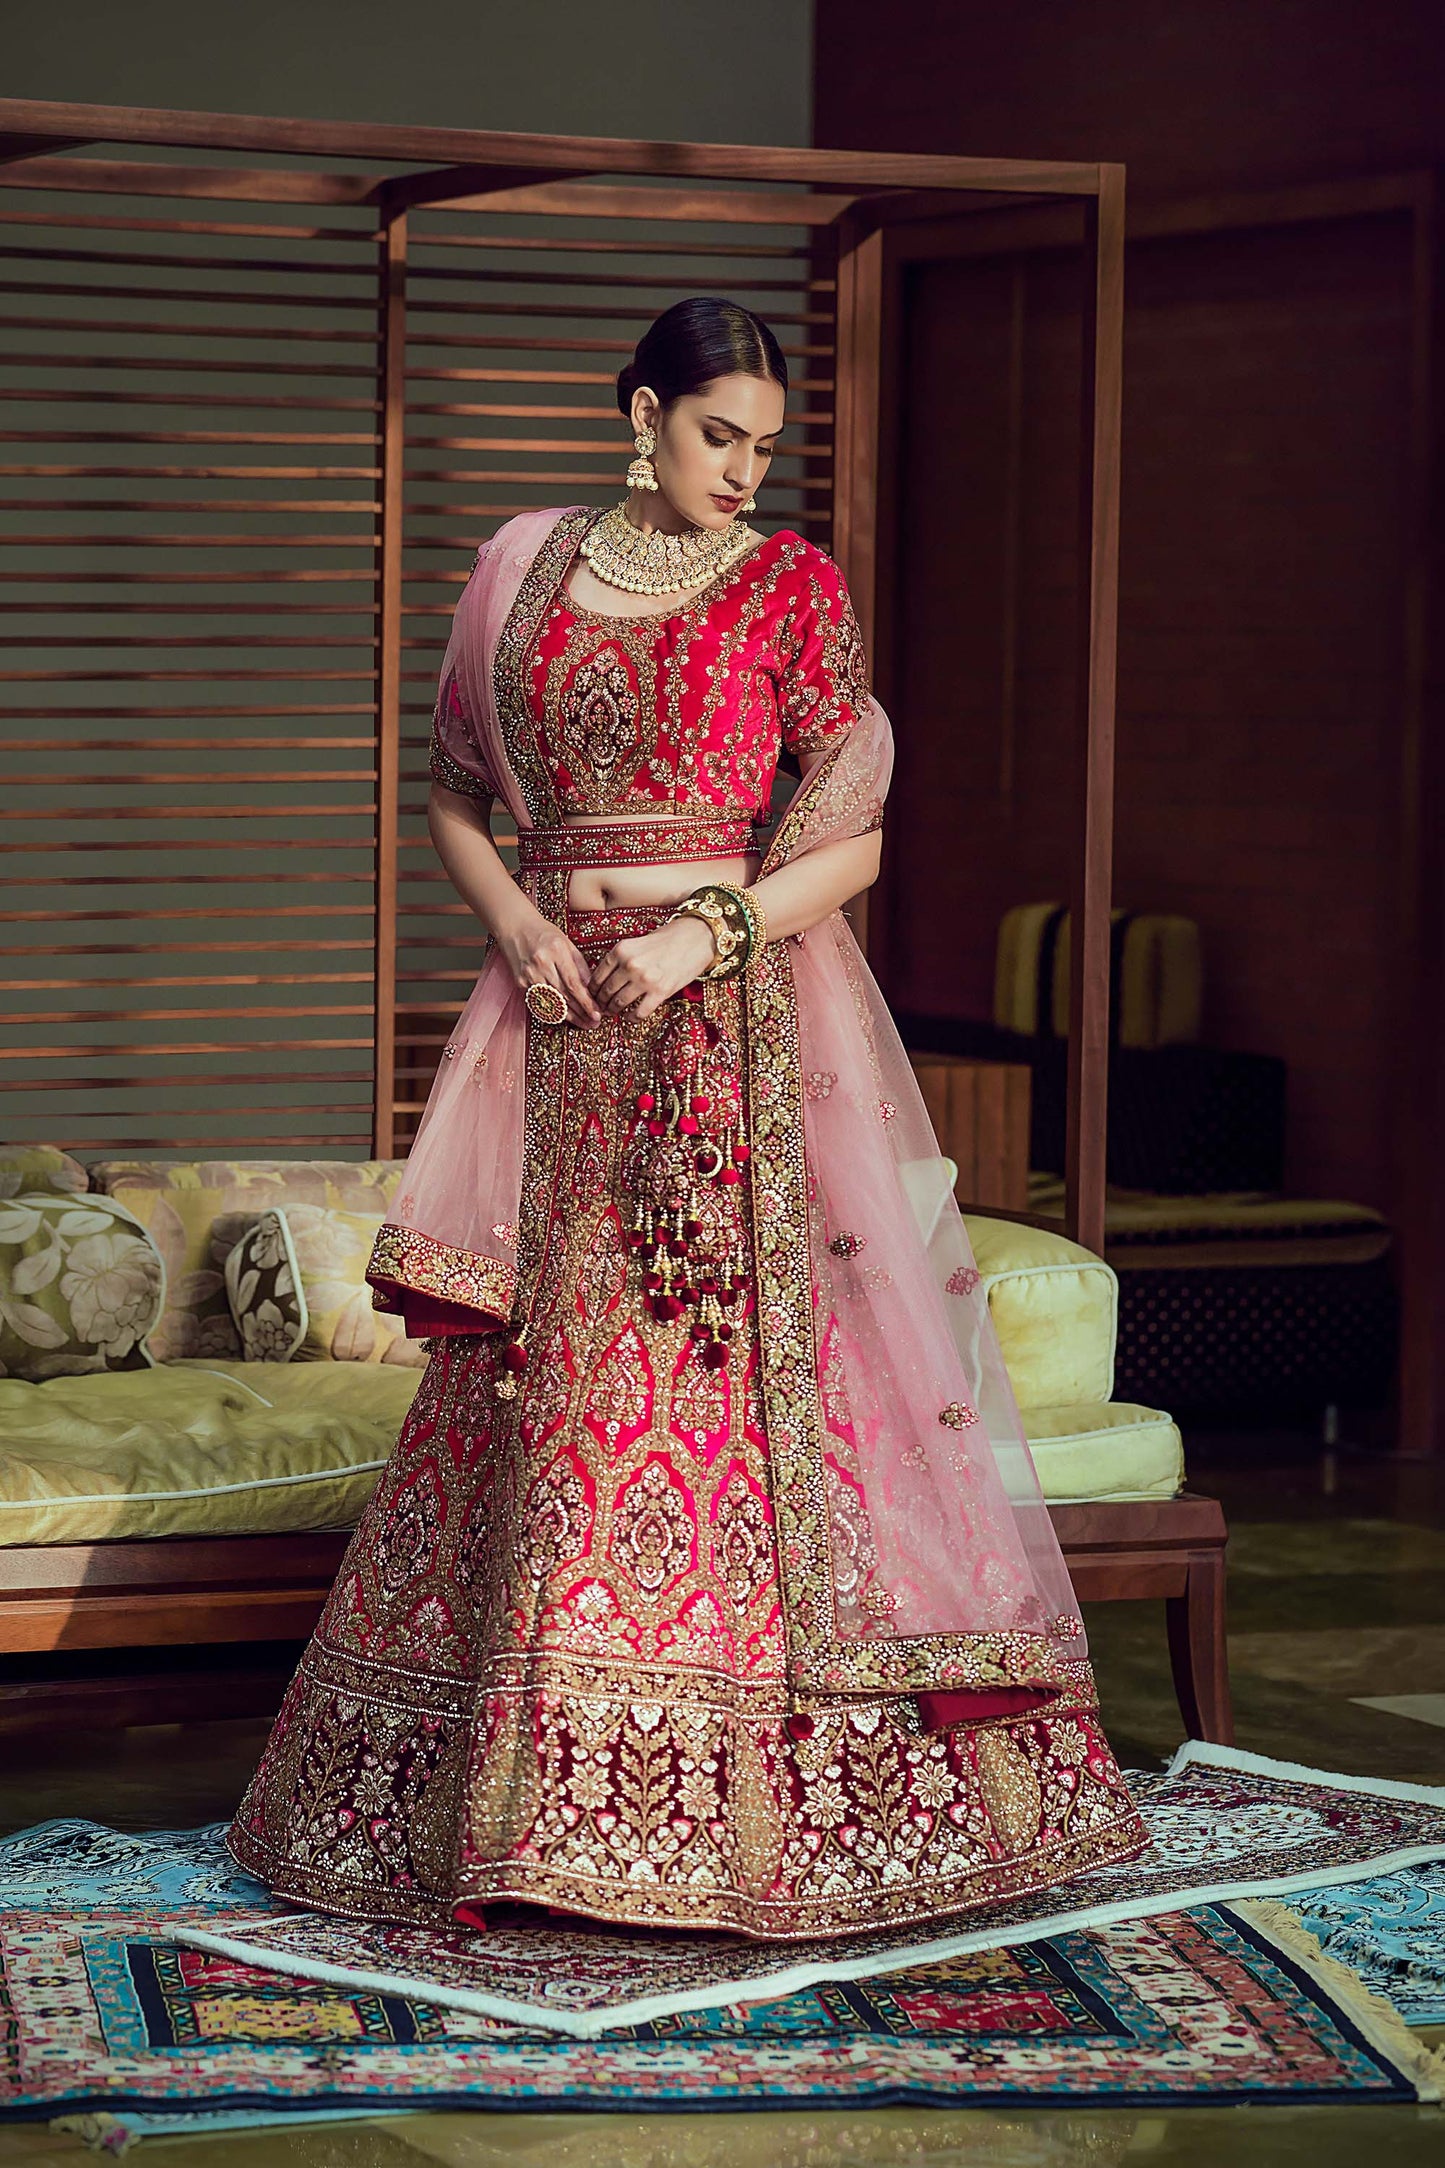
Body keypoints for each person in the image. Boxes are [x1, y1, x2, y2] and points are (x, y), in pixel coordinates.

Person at [227, 296, 1146, 1941]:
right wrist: (517, 924)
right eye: (719, 434)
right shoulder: (523, 570)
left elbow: (851, 835)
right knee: (539, 1382)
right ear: (640, 413)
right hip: (558, 1028)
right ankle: (518, 1810)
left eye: (763, 446)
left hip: (724, 1035)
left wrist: (697, 935)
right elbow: (452, 787)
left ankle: (736, 1816)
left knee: (712, 1379)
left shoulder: (789, 585)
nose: (742, 470)